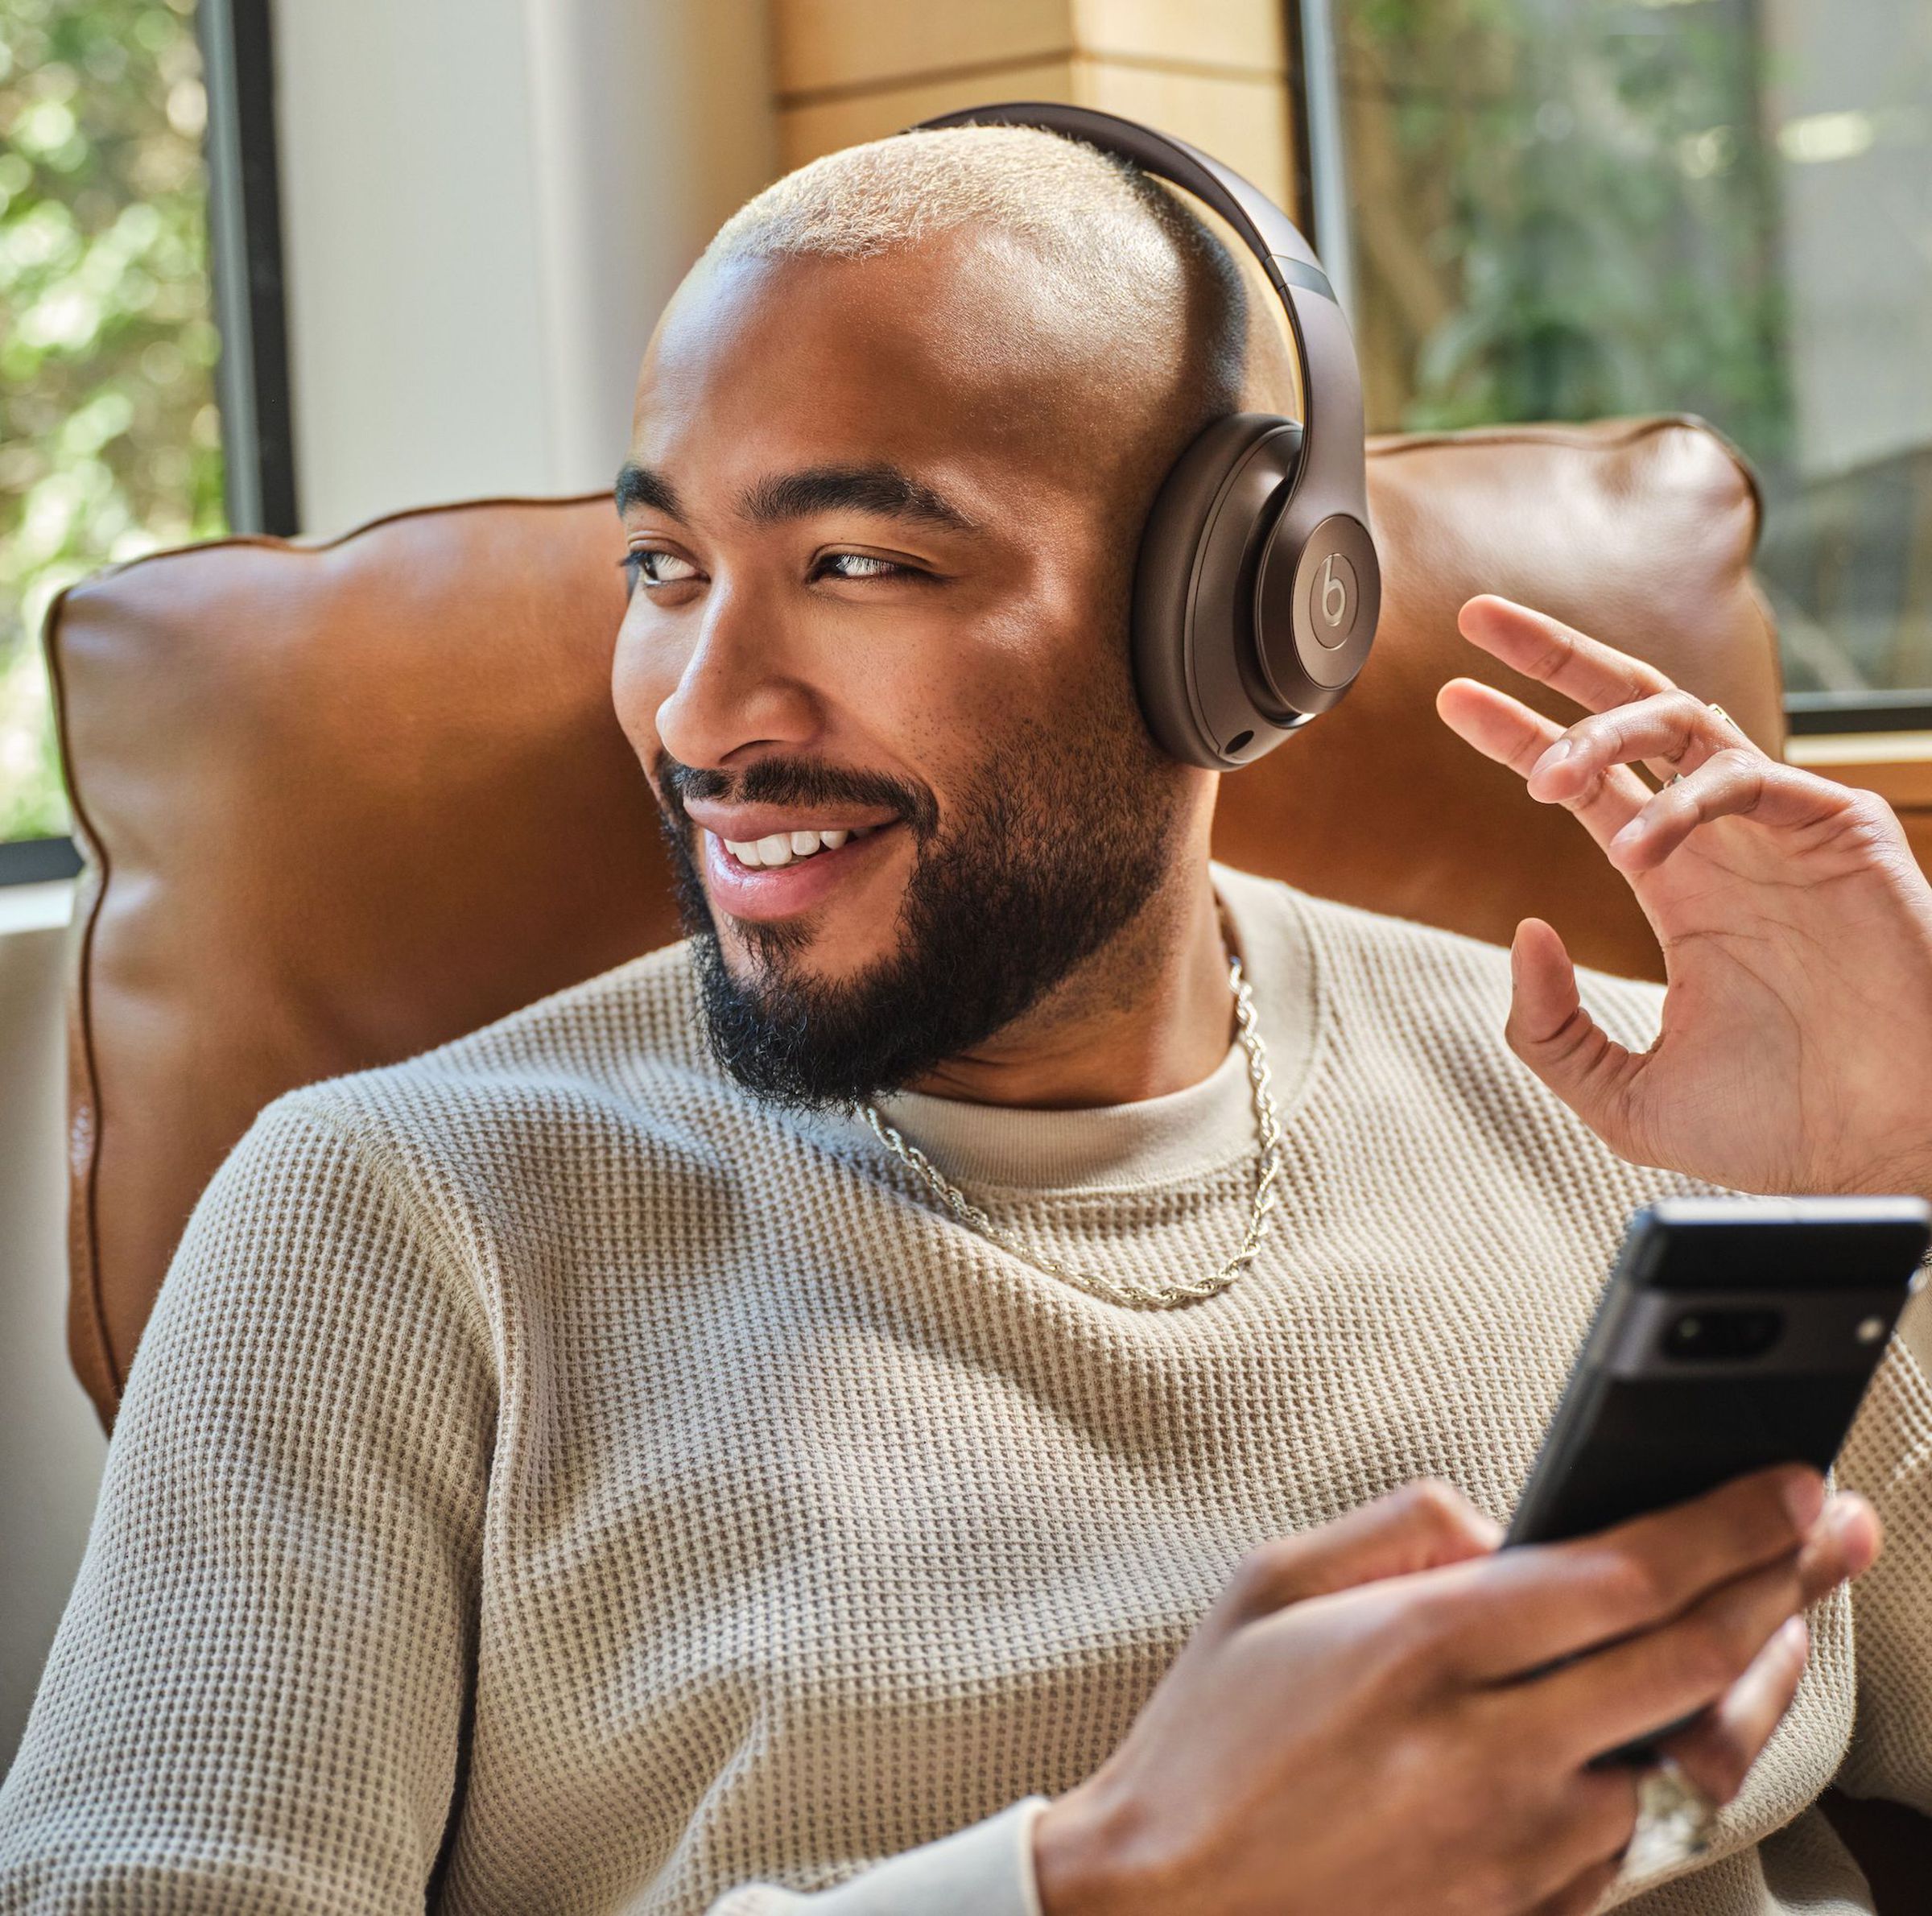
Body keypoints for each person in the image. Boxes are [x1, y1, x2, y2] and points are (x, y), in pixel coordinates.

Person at [3, 122, 1930, 1916]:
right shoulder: (393, 1226)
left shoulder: (1651, 1107)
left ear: (1241, 618)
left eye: (857, 565)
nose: (699, 711)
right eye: (663, 570)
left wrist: (1898, 1181)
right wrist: (1104, 1884)